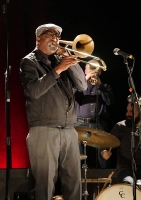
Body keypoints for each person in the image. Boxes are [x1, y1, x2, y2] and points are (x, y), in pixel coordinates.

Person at [20, 23, 87, 200]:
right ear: (38, 38)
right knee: (45, 184)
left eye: (58, 35)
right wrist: (58, 69)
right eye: (50, 34)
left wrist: (69, 61)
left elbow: (82, 85)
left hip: (69, 130)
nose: (56, 39)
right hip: (44, 129)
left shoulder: (61, 60)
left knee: (74, 182)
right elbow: (33, 91)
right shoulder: (29, 61)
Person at [74, 61, 114, 168]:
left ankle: (104, 181)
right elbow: (70, 96)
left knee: (103, 155)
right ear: (85, 71)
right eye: (90, 69)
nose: (92, 72)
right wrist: (83, 81)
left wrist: (100, 87)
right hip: (80, 124)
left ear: (99, 72)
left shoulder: (105, 87)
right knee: (77, 156)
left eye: (95, 69)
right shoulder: (77, 86)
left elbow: (110, 102)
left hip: (99, 124)